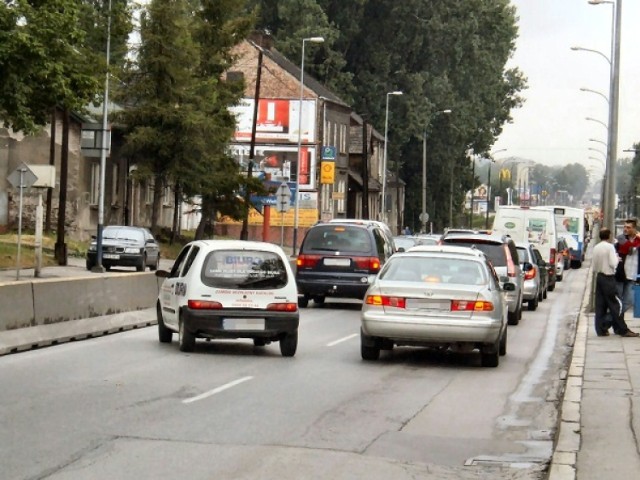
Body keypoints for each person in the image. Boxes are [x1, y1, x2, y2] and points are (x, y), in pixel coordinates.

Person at [592, 227, 639, 337]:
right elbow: (613, 263)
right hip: (608, 277)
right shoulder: (609, 247)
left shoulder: (596, 247)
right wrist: (618, 259)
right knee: (618, 304)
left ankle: (600, 329)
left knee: (600, 305)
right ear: (608, 236)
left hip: (599, 277)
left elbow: (594, 266)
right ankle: (622, 329)